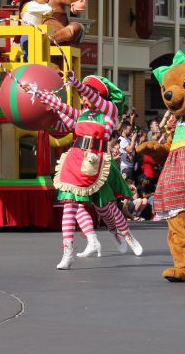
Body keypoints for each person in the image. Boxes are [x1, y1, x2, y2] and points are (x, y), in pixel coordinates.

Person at [29, 73, 142, 268]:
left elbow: (92, 97)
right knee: (70, 204)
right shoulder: (81, 114)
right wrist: (37, 94)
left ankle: (125, 235)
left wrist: (75, 83)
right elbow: (62, 111)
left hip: (95, 162)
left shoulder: (110, 111)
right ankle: (68, 253)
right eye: (83, 96)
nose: (84, 98)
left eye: (87, 94)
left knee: (106, 207)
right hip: (75, 159)